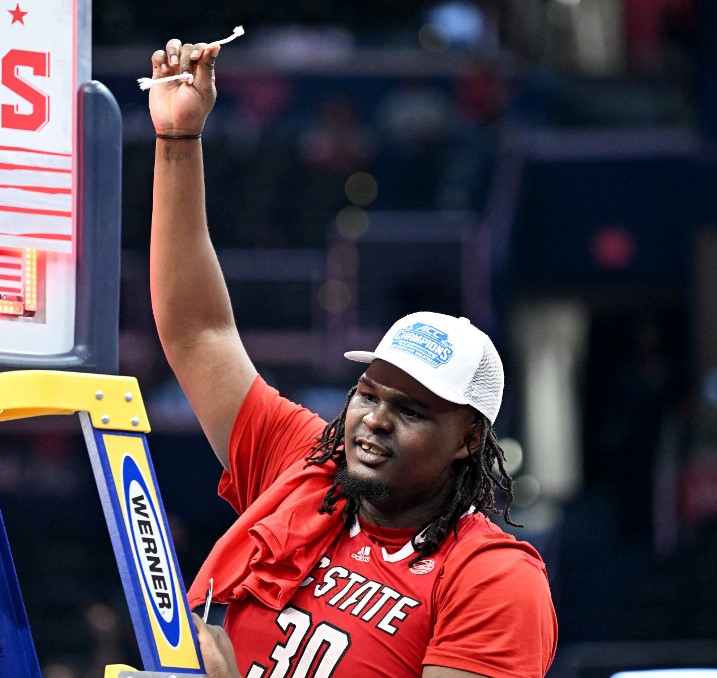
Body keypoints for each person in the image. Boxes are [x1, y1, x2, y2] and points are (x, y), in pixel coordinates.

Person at [147, 37, 557, 678]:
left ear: (467, 441)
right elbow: (200, 333)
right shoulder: (303, 463)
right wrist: (178, 142)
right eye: (368, 394)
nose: (373, 420)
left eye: (412, 411)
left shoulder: (490, 576)